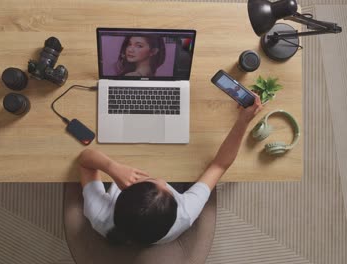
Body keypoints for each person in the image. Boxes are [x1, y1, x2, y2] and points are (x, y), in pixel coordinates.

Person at [78, 94, 263, 245]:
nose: (161, 180)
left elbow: (85, 159)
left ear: (124, 190)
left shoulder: (99, 216)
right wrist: (243, 121)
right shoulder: (185, 214)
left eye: (152, 181)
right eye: (165, 186)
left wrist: (112, 167)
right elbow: (219, 165)